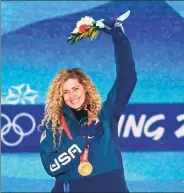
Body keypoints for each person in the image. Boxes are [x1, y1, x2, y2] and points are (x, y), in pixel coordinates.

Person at [39, 16, 137, 192]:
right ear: (59, 96)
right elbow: (51, 167)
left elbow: (127, 78)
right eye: (65, 92)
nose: (72, 96)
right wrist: (80, 141)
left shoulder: (106, 114)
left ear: (85, 88)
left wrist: (118, 37)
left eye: (75, 88)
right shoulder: (53, 126)